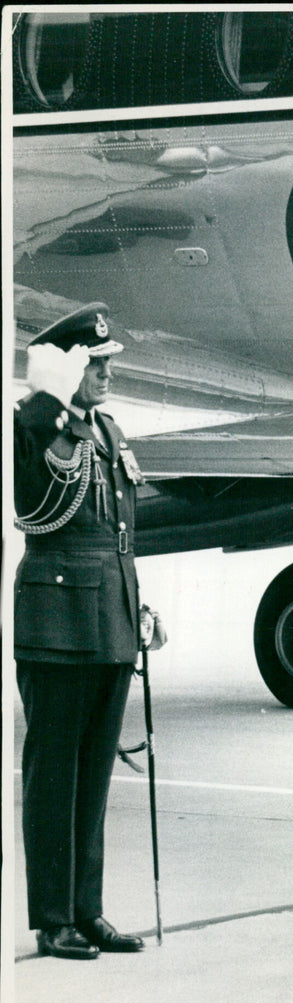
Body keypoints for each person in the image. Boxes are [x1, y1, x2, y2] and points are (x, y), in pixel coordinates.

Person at [14, 302, 146, 959]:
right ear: (67, 369)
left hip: (108, 624)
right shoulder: (35, 426)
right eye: (95, 364)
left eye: (108, 363)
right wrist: (49, 399)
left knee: (93, 775)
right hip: (59, 624)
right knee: (54, 775)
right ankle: (52, 916)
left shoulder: (110, 432)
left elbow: (119, 536)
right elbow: (35, 498)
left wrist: (136, 607)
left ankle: (87, 910)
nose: (106, 374)